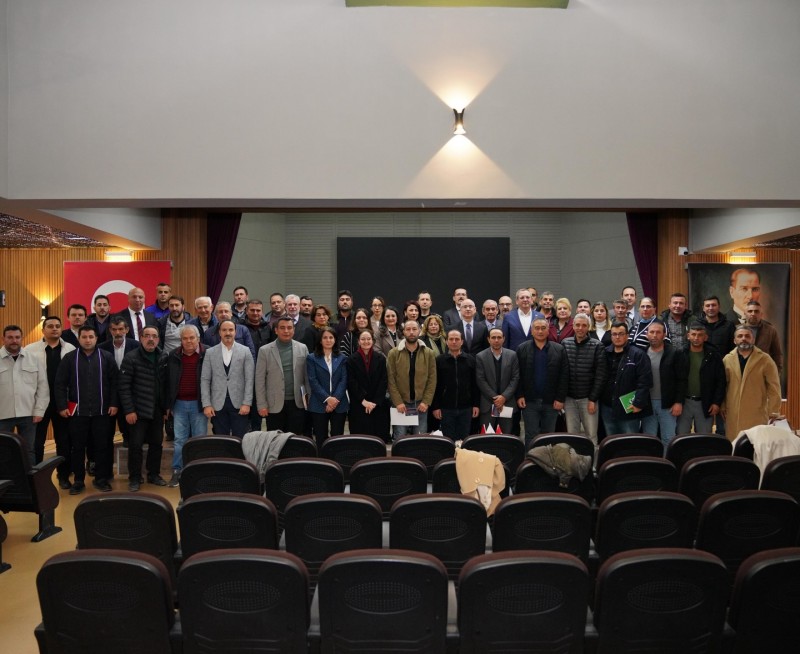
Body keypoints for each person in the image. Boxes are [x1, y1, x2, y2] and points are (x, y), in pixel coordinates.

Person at [55, 325, 119, 494]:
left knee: (102, 446)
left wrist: (114, 403)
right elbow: (60, 384)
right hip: (77, 413)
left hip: (102, 412)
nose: (88, 340)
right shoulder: (69, 358)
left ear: (96, 338)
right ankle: (78, 481)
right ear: (79, 339)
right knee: (77, 448)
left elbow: (115, 383)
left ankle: (101, 479)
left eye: (91, 337)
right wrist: (62, 406)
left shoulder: (106, 357)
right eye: (84, 337)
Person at [26, 316, 75, 483]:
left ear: (61, 329)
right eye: (50, 326)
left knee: (64, 442)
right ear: (43, 330)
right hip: (39, 403)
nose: (54, 329)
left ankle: (64, 476)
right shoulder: (30, 350)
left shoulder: (70, 348)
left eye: (57, 326)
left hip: (62, 403)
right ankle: (37, 479)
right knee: (37, 443)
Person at [118, 326, 167, 491]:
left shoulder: (163, 356)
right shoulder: (131, 357)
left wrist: (166, 408)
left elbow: (165, 384)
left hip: (157, 410)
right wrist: (129, 410)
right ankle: (134, 478)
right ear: (141, 338)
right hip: (137, 411)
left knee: (157, 444)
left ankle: (154, 474)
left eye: (154, 336)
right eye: (147, 336)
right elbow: (123, 387)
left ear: (158, 339)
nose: (151, 339)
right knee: (135, 446)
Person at [162, 325, 207, 487]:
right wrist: (168, 405)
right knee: (179, 440)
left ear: (198, 338)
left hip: (199, 404)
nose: (188, 341)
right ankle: (177, 471)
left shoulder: (207, 353)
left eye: (191, 338)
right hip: (179, 404)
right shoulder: (173, 355)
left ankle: (198, 471)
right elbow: (168, 382)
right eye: (185, 338)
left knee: (199, 440)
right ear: (180, 340)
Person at [721, 325, 782, 441]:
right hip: (733, 411)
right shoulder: (727, 359)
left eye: (747, 336)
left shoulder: (765, 359)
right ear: (734, 340)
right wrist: (723, 405)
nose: (743, 338)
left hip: (756, 411)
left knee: (755, 444)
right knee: (735, 444)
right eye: (740, 336)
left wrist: (773, 411)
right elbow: (723, 385)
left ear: (753, 340)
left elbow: (774, 388)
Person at [516, 317, 569, 448]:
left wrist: (560, 398)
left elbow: (564, 376)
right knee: (530, 434)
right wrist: (519, 395)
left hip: (551, 402)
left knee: (548, 435)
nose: (540, 331)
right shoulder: (522, 349)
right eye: (537, 328)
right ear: (531, 331)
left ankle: (546, 460)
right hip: (529, 401)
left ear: (548, 330)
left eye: (543, 328)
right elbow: (518, 375)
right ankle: (530, 459)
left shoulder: (559, 349)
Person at [0, 325, 49, 466]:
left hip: (29, 413)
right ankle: (6, 480)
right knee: (3, 451)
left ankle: (29, 479)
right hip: (3, 414)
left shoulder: (33, 359)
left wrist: (39, 411)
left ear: (22, 338)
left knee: (28, 450)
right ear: (3, 339)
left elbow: (43, 387)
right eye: (10, 337)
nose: (14, 340)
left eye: (17, 337)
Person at [255, 316, 309, 435]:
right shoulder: (264, 350)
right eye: (282, 328)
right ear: (276, 330)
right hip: (274, 404)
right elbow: (259, 380)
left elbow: (307, 377)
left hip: (297, 403)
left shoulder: (303, 348)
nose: (286, 331)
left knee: (295, 439)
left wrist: (308, 400)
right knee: (275, 440)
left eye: (289, 328)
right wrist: (261, 404)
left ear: (293, 330)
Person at [200, 320, 254, 438]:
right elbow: (205, 380)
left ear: (235, 332)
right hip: (217, 404)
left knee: (240, 439)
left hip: (239, 404)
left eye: (230, 330)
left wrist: (247, 403)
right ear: (219, 332)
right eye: (224, 330)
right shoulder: (210, 353)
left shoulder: (245, 351)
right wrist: (207, 404)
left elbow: (249, 379)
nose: (227, 333)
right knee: (221, 440)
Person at [561, 313, 606, 450]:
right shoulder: (565, 343)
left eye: (584, 325)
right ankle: (574, 462)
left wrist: (593, 399)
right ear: (573, 326)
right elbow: (561, 373)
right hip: (569, 399)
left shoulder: (597, 345)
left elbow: (600, 375)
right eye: (577, 325)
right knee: (572, 436)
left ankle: (591, 462)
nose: (580, 328)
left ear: (588, 327)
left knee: (591, 436)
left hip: (588, 399)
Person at [599, 322, 652, 437]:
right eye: (614, 334)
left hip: (628, 407)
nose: (617, 337)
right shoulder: (605, 353)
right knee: (611, 440)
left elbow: (645, 381)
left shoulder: (638, 354)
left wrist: (638, 403)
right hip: (607, 406)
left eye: (621, 334)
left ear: (627, 336)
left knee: (630, 441)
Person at [640, 320, 687, 450]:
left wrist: (678, 402)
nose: (654, 335)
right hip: (647, 403)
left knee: (668, 438)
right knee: (649, 438)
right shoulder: (642, 353)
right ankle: (651, 461)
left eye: (658, 332)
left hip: (668, 404)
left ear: (664, 334)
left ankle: (667, 461)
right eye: (651, 332)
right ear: (647, 334)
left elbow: (682, 380)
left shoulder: (675, 353)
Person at [387, 320, 437, 440]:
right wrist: (398, 402)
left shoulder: (429, 353)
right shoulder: (394, 353)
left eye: (414, 329)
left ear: (419, 331)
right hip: (401, 404)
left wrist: (426, 401)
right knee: (400, 438)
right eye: (408, 329)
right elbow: (391, 379)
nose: (411, 332)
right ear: (403, 332)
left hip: (421, 404)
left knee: (420, 439)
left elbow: (432, 379)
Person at [676, 322, 726, 436]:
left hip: (705, 402)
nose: (696, 338)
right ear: (688, 336)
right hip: (684, 402)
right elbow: (675, 379)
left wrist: (716, 402)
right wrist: (676, 401)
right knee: (681, 436)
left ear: (705, 337)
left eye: (700, 335)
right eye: (693, 334)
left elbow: (720, 381)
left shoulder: (713, 355)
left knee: (704, 437)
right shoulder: (680, 353)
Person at [432, 330, 479, 441]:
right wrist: (436, 407)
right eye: (451, 339)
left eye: (457, 339)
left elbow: (475, 385)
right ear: (446, 342)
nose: (454, 342)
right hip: (446, 409)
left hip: (466, 408)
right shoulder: (439, 361)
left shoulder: (470, 360)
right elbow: (435, 386)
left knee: (464, 440)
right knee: (448, 441)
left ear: (462, 342)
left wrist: (476, 405)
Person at [306, 326, 349, 447]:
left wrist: (335, 399)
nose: (328, 340)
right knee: (320, 438)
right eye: (325, 337)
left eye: (331, 337)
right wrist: (327, 399)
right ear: (320, 340)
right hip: (319, 403)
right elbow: (313, 381)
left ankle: (336, 458)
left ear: (335, 340)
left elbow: (344, 380)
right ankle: (322, 459)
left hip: (339, 403)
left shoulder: (342, 358)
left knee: (337, 438)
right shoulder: (312, 358)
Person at [475, 327, 519, 435]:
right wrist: (496, 398)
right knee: (486, 437)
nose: (496, 340)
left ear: (504, 339)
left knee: (505, 436)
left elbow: (515, 378)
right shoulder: (480, 356)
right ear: (488, 339)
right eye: (493, 337)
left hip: (507, 403)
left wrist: (504, 397)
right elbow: (480, 380)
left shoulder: (512, 355)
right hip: (488, 404)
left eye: (499, 337)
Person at [347, 329, 389, 440]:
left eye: (369, 339)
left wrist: (375, 402)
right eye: (363, 339)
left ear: (373, 341)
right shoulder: (351, 360)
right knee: (360, 439)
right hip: (359, 404)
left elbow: (383, 380)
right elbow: (351, 382)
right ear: (358, 341)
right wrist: (363, 400)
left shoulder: (381, 359)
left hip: (377, 405)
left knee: (378, 439)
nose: (366, 341)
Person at [744, 300, 783, 373]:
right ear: (745, 313)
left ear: (761, 314)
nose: (753, 314)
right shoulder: (737, 330)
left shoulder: (770, 330)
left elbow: (777, 354)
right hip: (743, 372)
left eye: (756, 311)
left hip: (763, 372)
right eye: (750, 311)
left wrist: (777, 372)